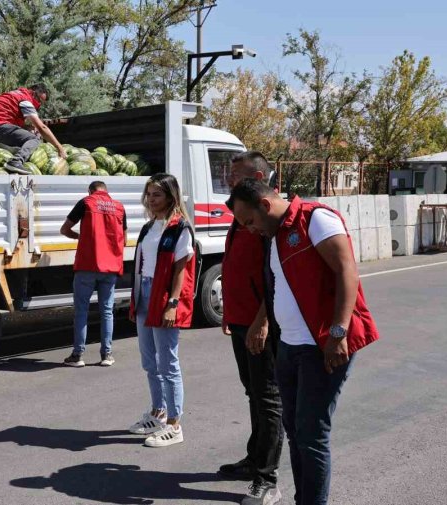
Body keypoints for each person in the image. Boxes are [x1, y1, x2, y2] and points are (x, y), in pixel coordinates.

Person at [226, 179, 380, 505]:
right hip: (289, 347)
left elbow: (346, 272)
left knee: (311, 435)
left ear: (265, 205)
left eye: (249, 221)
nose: (249, 229)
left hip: (322, 346)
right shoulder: (275, 235)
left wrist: (338, 333)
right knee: (296, 432)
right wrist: (261, 322)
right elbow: (278, 286)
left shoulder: (316, 219)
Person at [218, 152, 284, 505]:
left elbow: (273, 276)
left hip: (262, 324)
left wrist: (262, 319)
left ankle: (267, 479)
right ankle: (254, 459)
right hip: (243, 321)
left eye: (236, 174)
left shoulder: (265, 217)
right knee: (254, 394)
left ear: (258, 176)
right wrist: (232, 315)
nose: (230, 179)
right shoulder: (242, 208)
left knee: (269, 398)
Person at [127, 174, 200, 448]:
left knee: (168, 363)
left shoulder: (180, 228)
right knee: (149, 362)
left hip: (164, 296)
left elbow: (181, 270)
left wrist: (173, 303)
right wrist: (137, 299)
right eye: (149, 194)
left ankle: (174, 424)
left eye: (156, 194)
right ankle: (158, 413)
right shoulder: (149, 227)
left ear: (171, 196)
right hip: (145, 294)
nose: (151, 199)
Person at [60, 181, 128, 368]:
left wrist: (81, 237)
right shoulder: (119, 207)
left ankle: (78, 355)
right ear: (107, 191)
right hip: (111, 267)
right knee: (107, 311)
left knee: (81, 311)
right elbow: (124, 239)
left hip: (87, 265)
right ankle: (106, 355)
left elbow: (64, 229)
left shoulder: (86, 202)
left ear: (90, 191)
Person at [0, 83, 66, 174]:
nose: (39, 105)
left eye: (41, 104)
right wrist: (59, 148)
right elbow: (42, 127)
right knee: (34, 139)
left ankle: (11, 160)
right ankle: (16, 161)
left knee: (23, 140)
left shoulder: (15, 94)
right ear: (34, 93)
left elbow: (7, 121)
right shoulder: (25, 100)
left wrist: (27, 127)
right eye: (39, 101)